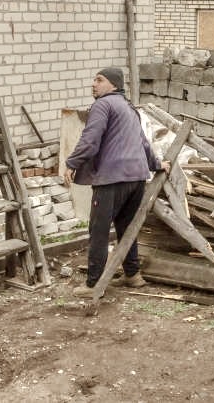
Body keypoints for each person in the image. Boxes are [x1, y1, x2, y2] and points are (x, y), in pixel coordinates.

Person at [65, 67, 169, 297]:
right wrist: (157, 164)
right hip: (136, 178)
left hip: (112, 178)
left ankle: (93, 285)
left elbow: (90, 140)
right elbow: (142, 143)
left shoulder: (103, 105)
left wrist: (72, 162)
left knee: (99, 231)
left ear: (113, 85)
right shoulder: (129, 109)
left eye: (99, 80)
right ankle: (133, 275)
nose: (93, 84)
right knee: (126, 227)